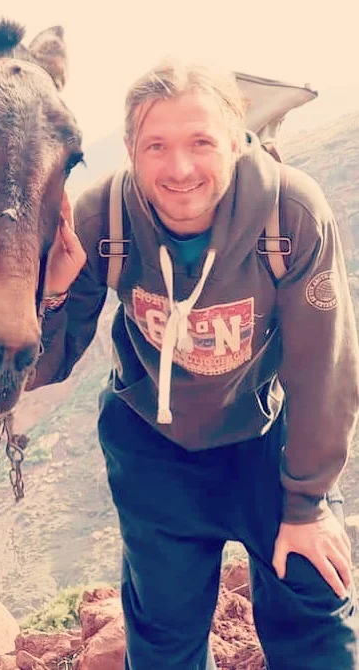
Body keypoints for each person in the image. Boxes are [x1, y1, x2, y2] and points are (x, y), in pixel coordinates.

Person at [35, 59, 359, 669]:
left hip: (265, 436)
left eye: (201, 142)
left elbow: (326, 366)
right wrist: (51, 293)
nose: (180, 169)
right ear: (130, 148)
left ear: (238, 140)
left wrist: (309, 503)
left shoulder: (289, 214)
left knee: (316, 597)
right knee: (163, 640)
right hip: (154, 447)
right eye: (156, 145)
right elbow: (44, 368)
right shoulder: (102, 217)